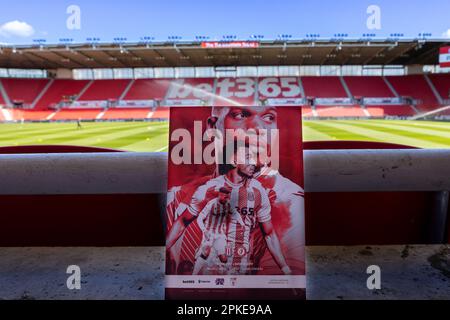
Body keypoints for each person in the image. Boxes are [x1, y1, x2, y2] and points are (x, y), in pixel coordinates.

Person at [167, 106, 304, 275]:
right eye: (240, 115)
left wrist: (285, 270)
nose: (258, 128)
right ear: (213, 127)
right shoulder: (178, 200)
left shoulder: (290, 203)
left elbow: (275, 287)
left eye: (269, 117)